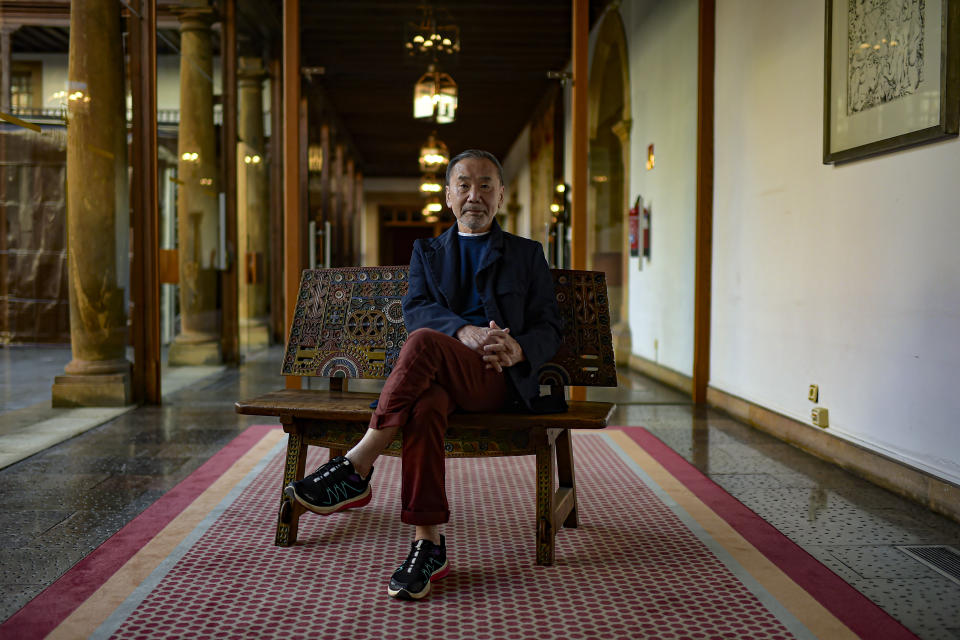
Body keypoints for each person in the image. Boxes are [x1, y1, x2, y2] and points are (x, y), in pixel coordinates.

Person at [285, 149, 565, 600]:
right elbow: (416, 310)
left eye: (486, 185)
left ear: (501, 196)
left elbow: (550, 326)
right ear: (449, 196)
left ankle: (358, 464)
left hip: (496, 381)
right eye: (465, 185)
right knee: (425, 404)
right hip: (438, 379)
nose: (475, 194)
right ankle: (427, 542)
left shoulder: (526, 254)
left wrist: (518, 349)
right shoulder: (428, 252)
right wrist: (464, 330)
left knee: (421, 344)